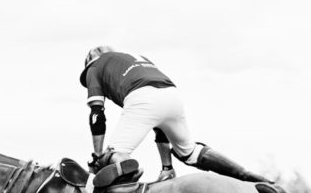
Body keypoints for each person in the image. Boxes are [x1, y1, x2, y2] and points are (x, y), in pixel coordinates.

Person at [79, 46, 271, 183]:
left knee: (110, 156)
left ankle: (133, 173)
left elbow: (97, 114)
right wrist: (167, 167)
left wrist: (97, 155)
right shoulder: (138, 58)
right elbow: (159, 123)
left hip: (141, 96)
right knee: (189, 152)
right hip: (172, 94)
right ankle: (247, 176)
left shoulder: (94, 67)